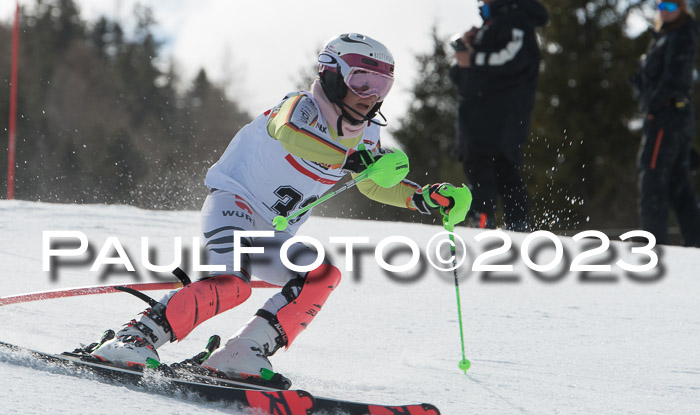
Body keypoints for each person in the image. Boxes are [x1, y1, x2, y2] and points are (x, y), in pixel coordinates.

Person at [83, 33, 472, 380]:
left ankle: (241, 352)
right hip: (234, 206)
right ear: (332, 75)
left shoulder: (368, 129)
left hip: (274, 232)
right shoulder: (300, 106)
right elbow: (290, 135)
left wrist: (422, 198)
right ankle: (134, 337)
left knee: (321, 275)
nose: (370, 95)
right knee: (232, 285)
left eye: (382, 85)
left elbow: (371, 184)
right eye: (361, 81)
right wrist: (349, 160)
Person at [450, 0, 548, 231]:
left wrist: (473, 58)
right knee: (495, 168)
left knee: (491, 166)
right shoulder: (493, 22)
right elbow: (462, 74)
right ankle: (508, 226)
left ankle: (486, 223)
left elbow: (513, 58)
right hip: (480, 112)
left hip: (501, 113)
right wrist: (467, 47)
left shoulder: (515, 18)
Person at [631, 0, 700, 247]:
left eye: (671, 7)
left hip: (667, 118)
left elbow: (674, 78)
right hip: (671, 118)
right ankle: (695, 244)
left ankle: (653, 246)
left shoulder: (681, 35)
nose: (664, 11)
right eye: (661, 6)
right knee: (677, 183)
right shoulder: (663, 37)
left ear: (681, 9)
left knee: (652, 180)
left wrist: (654, 103)